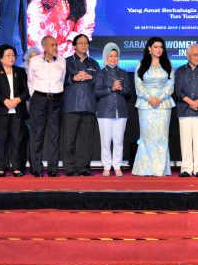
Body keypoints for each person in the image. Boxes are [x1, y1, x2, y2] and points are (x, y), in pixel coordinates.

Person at [133, 37, 175, 176]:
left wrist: (159, 98)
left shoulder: (168, 64)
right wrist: (150, 98)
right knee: (147, 137)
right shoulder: (141, 64)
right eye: (156, 47)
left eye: (161, 47)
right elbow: (138, 85)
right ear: (149, 49)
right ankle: (145, 169)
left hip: (163, 105)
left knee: (162, 137)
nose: (159, 49)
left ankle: (160, 169)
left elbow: (170, 85)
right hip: (146, 105)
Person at [27, 35, 66, 177]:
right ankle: (37, 168)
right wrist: (36, 96)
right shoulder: (34, 61)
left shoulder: (62, 61)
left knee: (54, 134)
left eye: (56, 44)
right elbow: (30, 81)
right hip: (39, 99)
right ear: (44, 46)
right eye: (52, 45)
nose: (55, 47)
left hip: (56, 100)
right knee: (37, 134)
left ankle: (53, 169)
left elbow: (62, 80)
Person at [0, 45, 29, 177]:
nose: (11, 58)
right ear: (0, 58)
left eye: (13, 55)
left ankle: (16, 167)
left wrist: (18, 99)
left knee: (17, 139)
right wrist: (4, 101)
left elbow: (27, 90)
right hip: (2, 109)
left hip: (18, 109)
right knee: (1, 139)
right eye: (8, 55)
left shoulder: (20, 71)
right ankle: (1, 168)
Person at [62, 34, 100, 176]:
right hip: (71, 105)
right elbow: (58, 81)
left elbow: (101, 82)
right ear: (74, 46)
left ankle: (83, 167)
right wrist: (73, 78)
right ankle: (70, 168)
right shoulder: (66, 62)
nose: (84, 45)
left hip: (89, 106)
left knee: (86, 139)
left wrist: (92, 77)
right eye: (81, 43)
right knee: (69, 139)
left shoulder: (94, 64)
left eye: (86, 43)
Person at [95, 42, 133, 177]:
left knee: (118, 141)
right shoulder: (100, 73)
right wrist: (111, 88)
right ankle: (106, 166)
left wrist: (121, 89)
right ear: (106, 57)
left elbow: (128, 93)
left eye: (115, 56)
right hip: (105, 112)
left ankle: (117, 165)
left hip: (121, 111)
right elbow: (97, 92)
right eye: (110, 56)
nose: (113, 58)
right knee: (105, 141)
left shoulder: (123, 73)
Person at [175, 44, 198, 177]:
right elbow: (178, 91)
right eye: (195, 55)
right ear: (187, 55)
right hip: (184, 109)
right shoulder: (180, 71)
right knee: (185, 141)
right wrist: (191, 102)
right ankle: (186, 168)